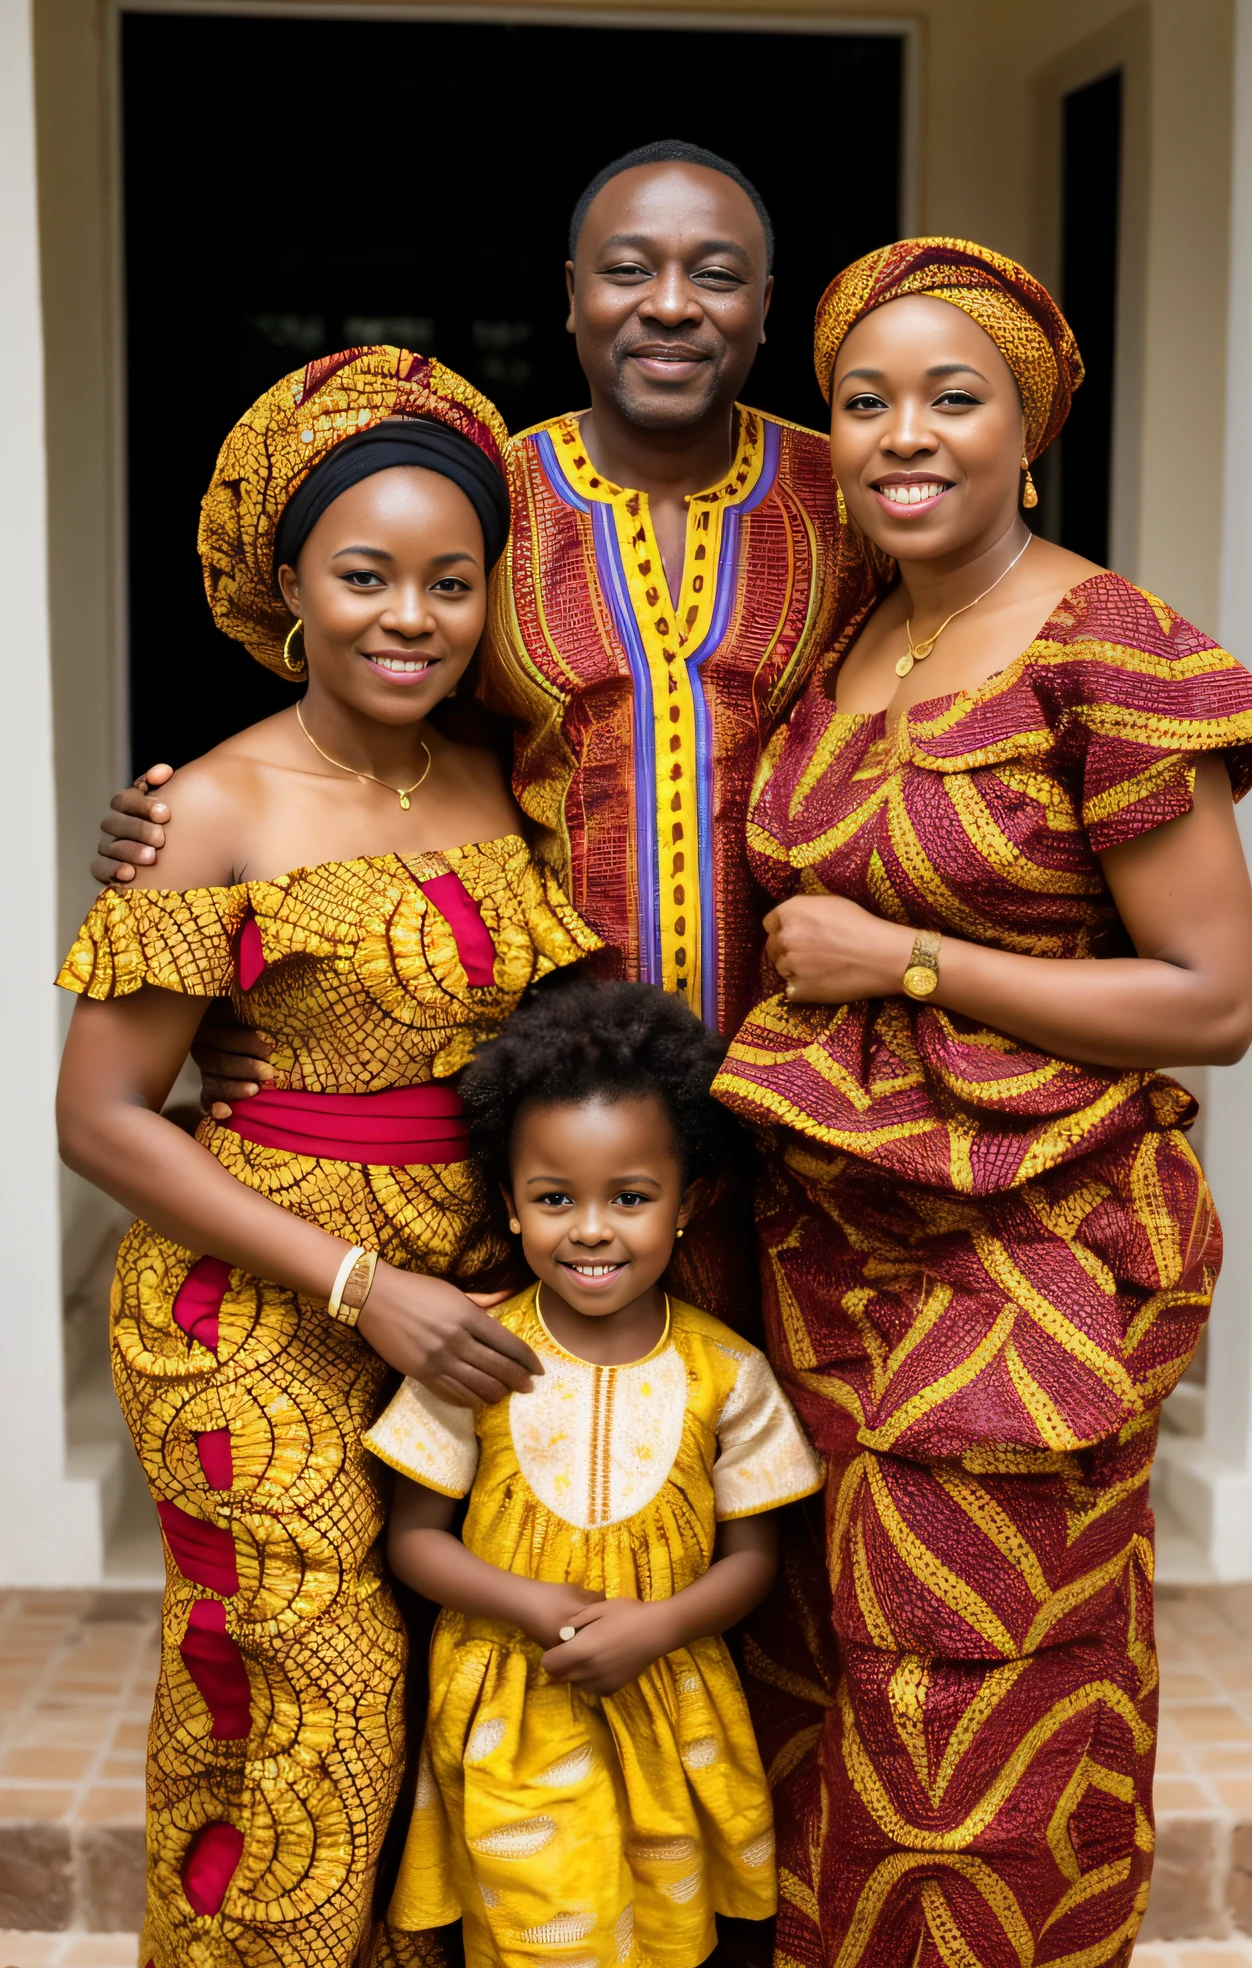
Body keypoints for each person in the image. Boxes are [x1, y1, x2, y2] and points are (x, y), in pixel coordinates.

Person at [710, 238, 1252, 1968]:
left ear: (1028, 431)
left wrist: (906, 954)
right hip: (831, 1266)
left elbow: (1211, 995)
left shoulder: (1108, 644)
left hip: (1028, 1271)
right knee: (841, 1711)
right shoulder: (854, 641)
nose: (902, 434)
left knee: (991, 1720)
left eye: (951, 397)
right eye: (865, 400)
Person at [89, 141, 884, 1330]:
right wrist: (225, 971)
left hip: (817, 1106)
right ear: (570, 294)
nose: (670, 303)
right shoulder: (490, 509)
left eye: (716, 274)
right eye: (627, 269)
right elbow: (374, 748)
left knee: (784, 1476)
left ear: (765, 308)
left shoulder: (852, 503)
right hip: (541, 1149)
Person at [55, 348, 599, 1968]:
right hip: (258, 1314)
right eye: (364, 575)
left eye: (450, 581)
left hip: (467, 1307)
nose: (410, 618)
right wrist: (366, 1288)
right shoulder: (205, 808)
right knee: (317, 1712)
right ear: (286, 583)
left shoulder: (500, 776)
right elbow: (101, 1115)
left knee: (434, 1714)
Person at [364, 977, 822, 1968]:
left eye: (628, 1195)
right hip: (518, 1716)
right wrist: (528, 1603)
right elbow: (415, 1541)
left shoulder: (726, 1372)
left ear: (686, 1201)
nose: (592, 1229)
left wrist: (657, 1624)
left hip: (667, 1715)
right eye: (555, 1197)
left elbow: (753, 1554)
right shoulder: (472, 1355)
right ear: (513, 1205)